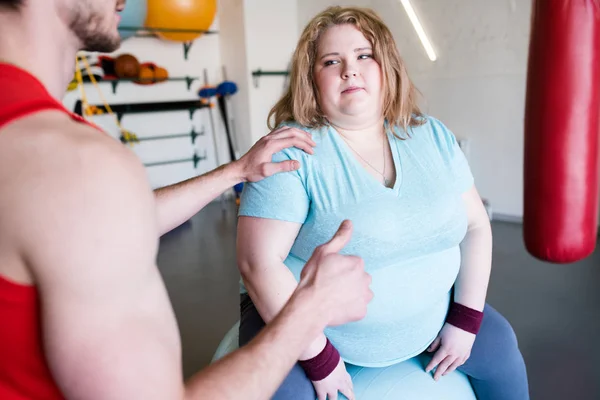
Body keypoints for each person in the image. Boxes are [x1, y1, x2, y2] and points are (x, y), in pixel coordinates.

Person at [0, 1, 374, 399]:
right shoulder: (76, 166)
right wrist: (309, 311)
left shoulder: (34, 146)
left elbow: (96, 224)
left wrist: (235, 171)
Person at [236, 6, 530, 400]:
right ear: (311, 79)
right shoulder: (292, 149)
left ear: (386, 66)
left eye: (363, 55)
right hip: (305, 328)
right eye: (331, 61)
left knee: (501, 350)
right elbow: (258, 264)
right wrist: (318, 357)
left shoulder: (431, 135)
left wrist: (465, 319)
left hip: (430, 319)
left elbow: (476, 227)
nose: (349, 70)